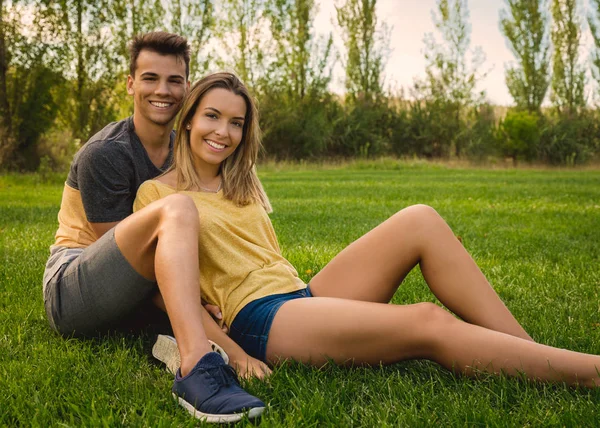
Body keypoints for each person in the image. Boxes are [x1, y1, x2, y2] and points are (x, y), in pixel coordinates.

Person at [134, 72, 600, 390]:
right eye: (212, 116)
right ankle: (589, 373)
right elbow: (173, 295)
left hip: (300, 297)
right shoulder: (158, 197)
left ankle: (530, 354)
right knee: (426, 321)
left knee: (420, 218)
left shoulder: (241, 180)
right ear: (189, 117)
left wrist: (308, 299)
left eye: (237, 122)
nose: (224, 132)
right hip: (258, 320)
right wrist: (236, 356)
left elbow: (273, 262)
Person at [42, 33, 265, 423]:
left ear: (187, 89)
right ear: (131, 84)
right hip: (75, 284)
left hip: (138, 291)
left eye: (175, 81)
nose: (162, 90)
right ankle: (195, 368)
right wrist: (201, 311)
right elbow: (139, 265)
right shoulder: (106, 153)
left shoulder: (188, 147)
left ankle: (168, 338)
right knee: (175, 207)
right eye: (149, 78)